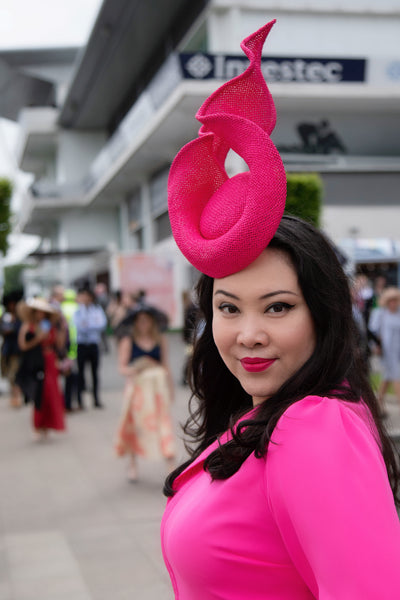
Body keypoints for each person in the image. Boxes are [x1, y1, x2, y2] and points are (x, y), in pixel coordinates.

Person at [161, 20, 400, 599]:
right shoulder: (262, 415)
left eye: (277, 307)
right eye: (228, 308)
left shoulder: (313, 426)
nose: (247, 334)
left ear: (323, 311)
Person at [115, 307, 176, 482]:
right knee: (135, 424)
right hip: (138, 389)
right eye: (140, 320)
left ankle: (169, 462)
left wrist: (170, 388)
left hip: (157, 389)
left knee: (163, 423)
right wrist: (137, 367)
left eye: (146, 320)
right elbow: (122, 367)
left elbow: (165, 365)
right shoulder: (128, 341)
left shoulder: (160, 339)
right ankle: (133, 462)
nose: (143, 324)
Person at [16, 297, 66, 440]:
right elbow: (23, 346)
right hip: (36, 363)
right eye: (38, 312)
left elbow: (59, 345)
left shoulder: (49, 326)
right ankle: (39, 425)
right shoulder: (28, 326)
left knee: (52, 393)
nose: (40, 314)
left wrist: (62, 330)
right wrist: (38, 338)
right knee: (40, 394)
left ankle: (49, 425)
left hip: (50, 361)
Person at [73, 287, 107, 409]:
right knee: (80, 373)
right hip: (81, 344)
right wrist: (90, 325)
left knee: (94, 373)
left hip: (93, 344)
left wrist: (88, 325)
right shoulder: (77, 311)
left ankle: (96, 399)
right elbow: (78, 325)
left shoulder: (97, 310)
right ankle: (80, 400)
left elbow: (101, 324)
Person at [369, 286, 400, 413]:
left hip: (397, 350)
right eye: (391, 300)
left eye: (395, 300)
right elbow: (372, 331)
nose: (393, 303)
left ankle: (378, 403)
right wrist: (374, 346)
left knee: (387, 378)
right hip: (386, 351)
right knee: (397, 375)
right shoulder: (380, 314)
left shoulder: (398, 313)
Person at [0, 291, 23, 407]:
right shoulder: (5, 316)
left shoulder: (20, 317)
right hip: (7, 349)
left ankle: (17, 397)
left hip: (17, 350)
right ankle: (14, 396)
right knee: (8, 374)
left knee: (14, 374)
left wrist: (13, 327)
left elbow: (20, 331)